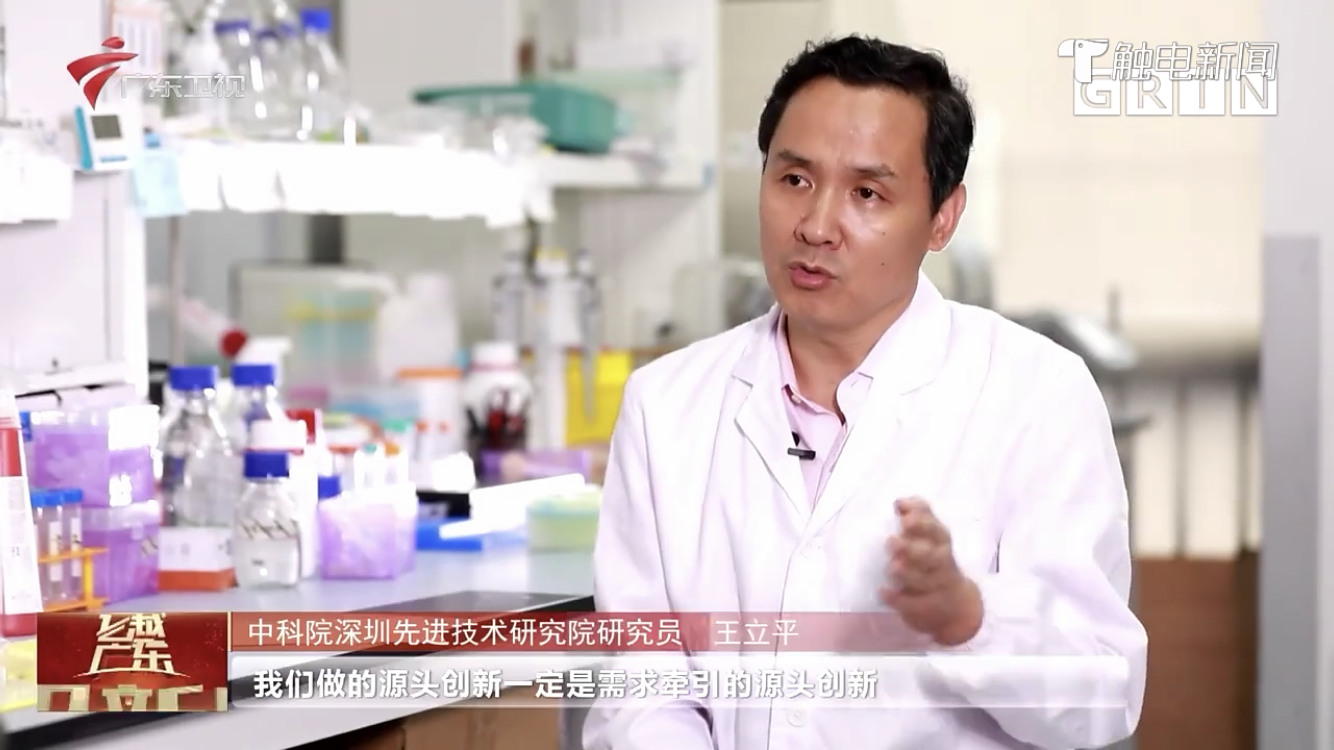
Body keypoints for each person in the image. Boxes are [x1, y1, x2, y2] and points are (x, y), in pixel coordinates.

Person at [584, 35, 1147, 750]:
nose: (816, 226)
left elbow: (1100, 697)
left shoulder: (1038, 394)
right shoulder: (665, 405)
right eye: (794, 179)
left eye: (867, 193)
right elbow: (642, 684)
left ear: (943, 217)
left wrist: (969, 620)